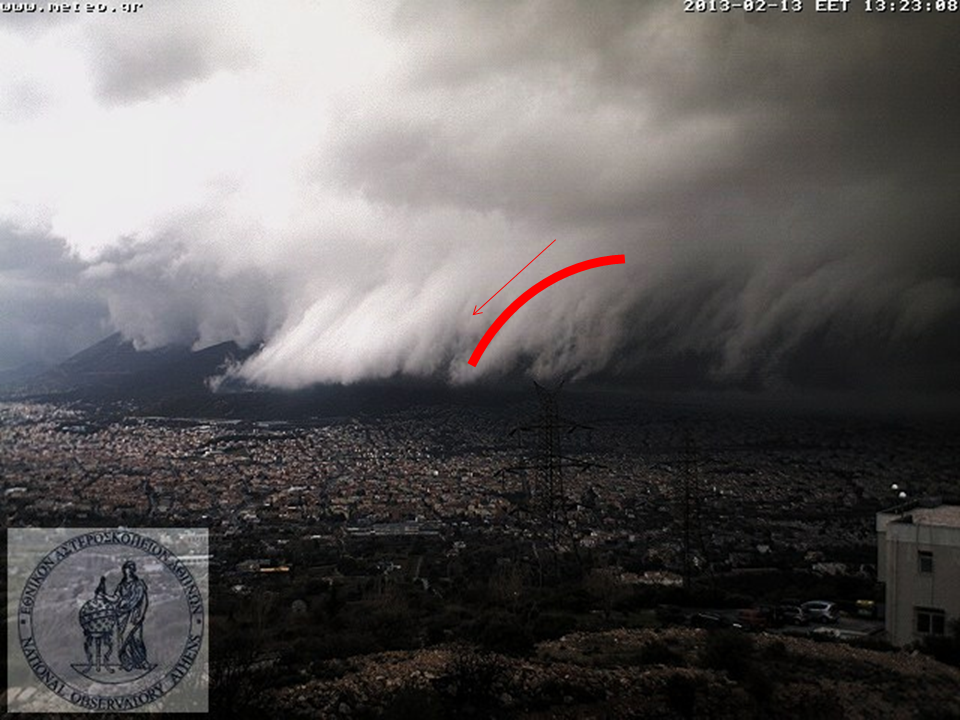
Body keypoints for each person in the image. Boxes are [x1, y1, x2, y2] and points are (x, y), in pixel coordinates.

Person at [112, 560, 149, 671]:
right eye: (126, 569)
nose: (128, 571)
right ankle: (127, 662)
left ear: (133, 570)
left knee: (137, 639)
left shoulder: (139, 584)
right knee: (123, 639)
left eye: (130, 569)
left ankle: (141, 661)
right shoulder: (121, 585)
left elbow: (144, 601)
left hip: (135, 616)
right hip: (122, 616)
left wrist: (141, 615)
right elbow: (116, 598)